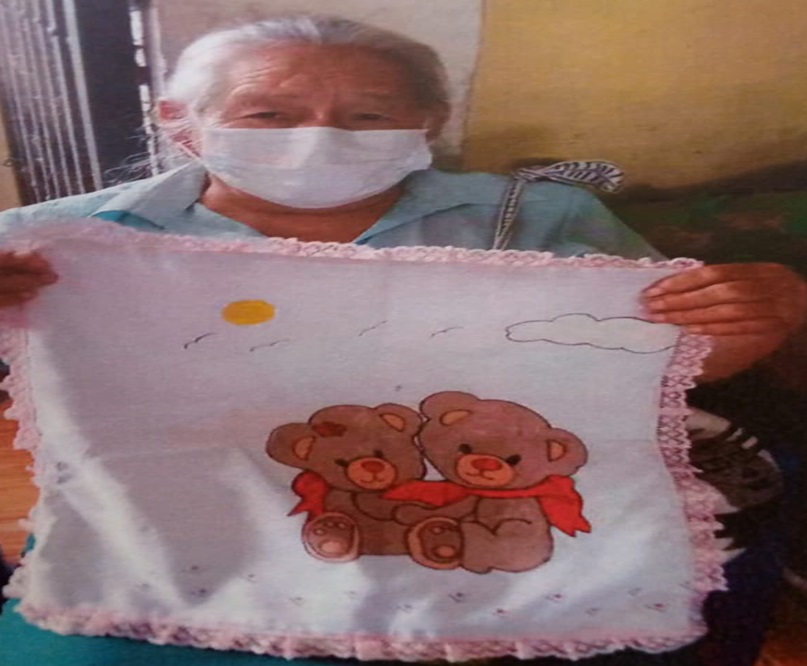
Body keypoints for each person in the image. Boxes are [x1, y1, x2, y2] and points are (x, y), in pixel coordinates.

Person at [0, 13, 803, 666]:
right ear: (182, 125)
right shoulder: (66, 241)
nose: (319, 135)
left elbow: (665, 362)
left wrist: (746, 319)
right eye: (268, 114)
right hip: (168, 519)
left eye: (368, 115)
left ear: (427, 124)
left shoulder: (531, 216)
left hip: (477, 507)